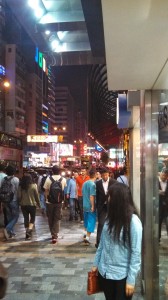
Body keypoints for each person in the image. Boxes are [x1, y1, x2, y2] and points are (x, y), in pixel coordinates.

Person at [92, 182, 142, 300]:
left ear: (118, 200)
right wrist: (95, 264)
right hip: (105, 273)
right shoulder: (109, 218)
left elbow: (136, 253)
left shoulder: (133, 222)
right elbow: (102, 245)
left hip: (122, 276)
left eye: (110, 196)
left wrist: (131, 279)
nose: (107, 199)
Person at [43, 165, 66, 244]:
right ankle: (55, 235)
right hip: (59, 202)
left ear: (52, 171)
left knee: (50, 218)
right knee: (57, 218)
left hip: (50, 202)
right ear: (59, 171)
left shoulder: (48, 179)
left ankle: (52, 233)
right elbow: (63, 190)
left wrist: (46, 199)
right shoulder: (63, 179)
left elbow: (46, 191)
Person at [95, 168, 116, 247]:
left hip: (111, 206)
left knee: (112, 223)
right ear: (101, 175)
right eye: (103, 175)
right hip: (102, 206)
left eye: (106, 175)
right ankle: (98, 242)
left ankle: (112, 241)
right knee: (101, 223)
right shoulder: (98, 183)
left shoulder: (114, 182)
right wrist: (96, 206)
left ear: (109, 174)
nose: (104, 177)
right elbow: (97, 195)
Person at [18, 173, 40, 240]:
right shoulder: (34, 186)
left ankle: (27, 232)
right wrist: (39, 204)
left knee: (26, 218)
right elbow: (37, 196)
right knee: (32, 218)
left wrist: (19, 202)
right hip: (32, 205)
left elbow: (18, 196)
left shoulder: (21, 186)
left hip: (23, 205)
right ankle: (29, 230)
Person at [3, 165, 20, 240]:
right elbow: (18, 190)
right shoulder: (16, 179)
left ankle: (11, 233)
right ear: (14, 172)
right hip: (14, 200)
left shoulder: (4, 179)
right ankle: (7, 228)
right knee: (16, 216)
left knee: (9, 216)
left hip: (5, 200)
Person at [82, 169, 97, 245]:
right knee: (91, 221)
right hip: (90, 205)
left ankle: (85, 235)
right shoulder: (93, 184)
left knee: (86, 220)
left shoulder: (85, 183)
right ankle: (87, 238)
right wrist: (93, 206)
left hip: (84, 205)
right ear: (95, 175)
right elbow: (92, 196)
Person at [158, 169, 168, 242]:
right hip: (159, 207)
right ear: (160, 175)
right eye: (162, 175)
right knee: (159, 222)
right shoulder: (156, 183)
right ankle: (158, 238)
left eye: (165, 176)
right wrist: (157, 192)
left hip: (166, 207)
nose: (163, 177)